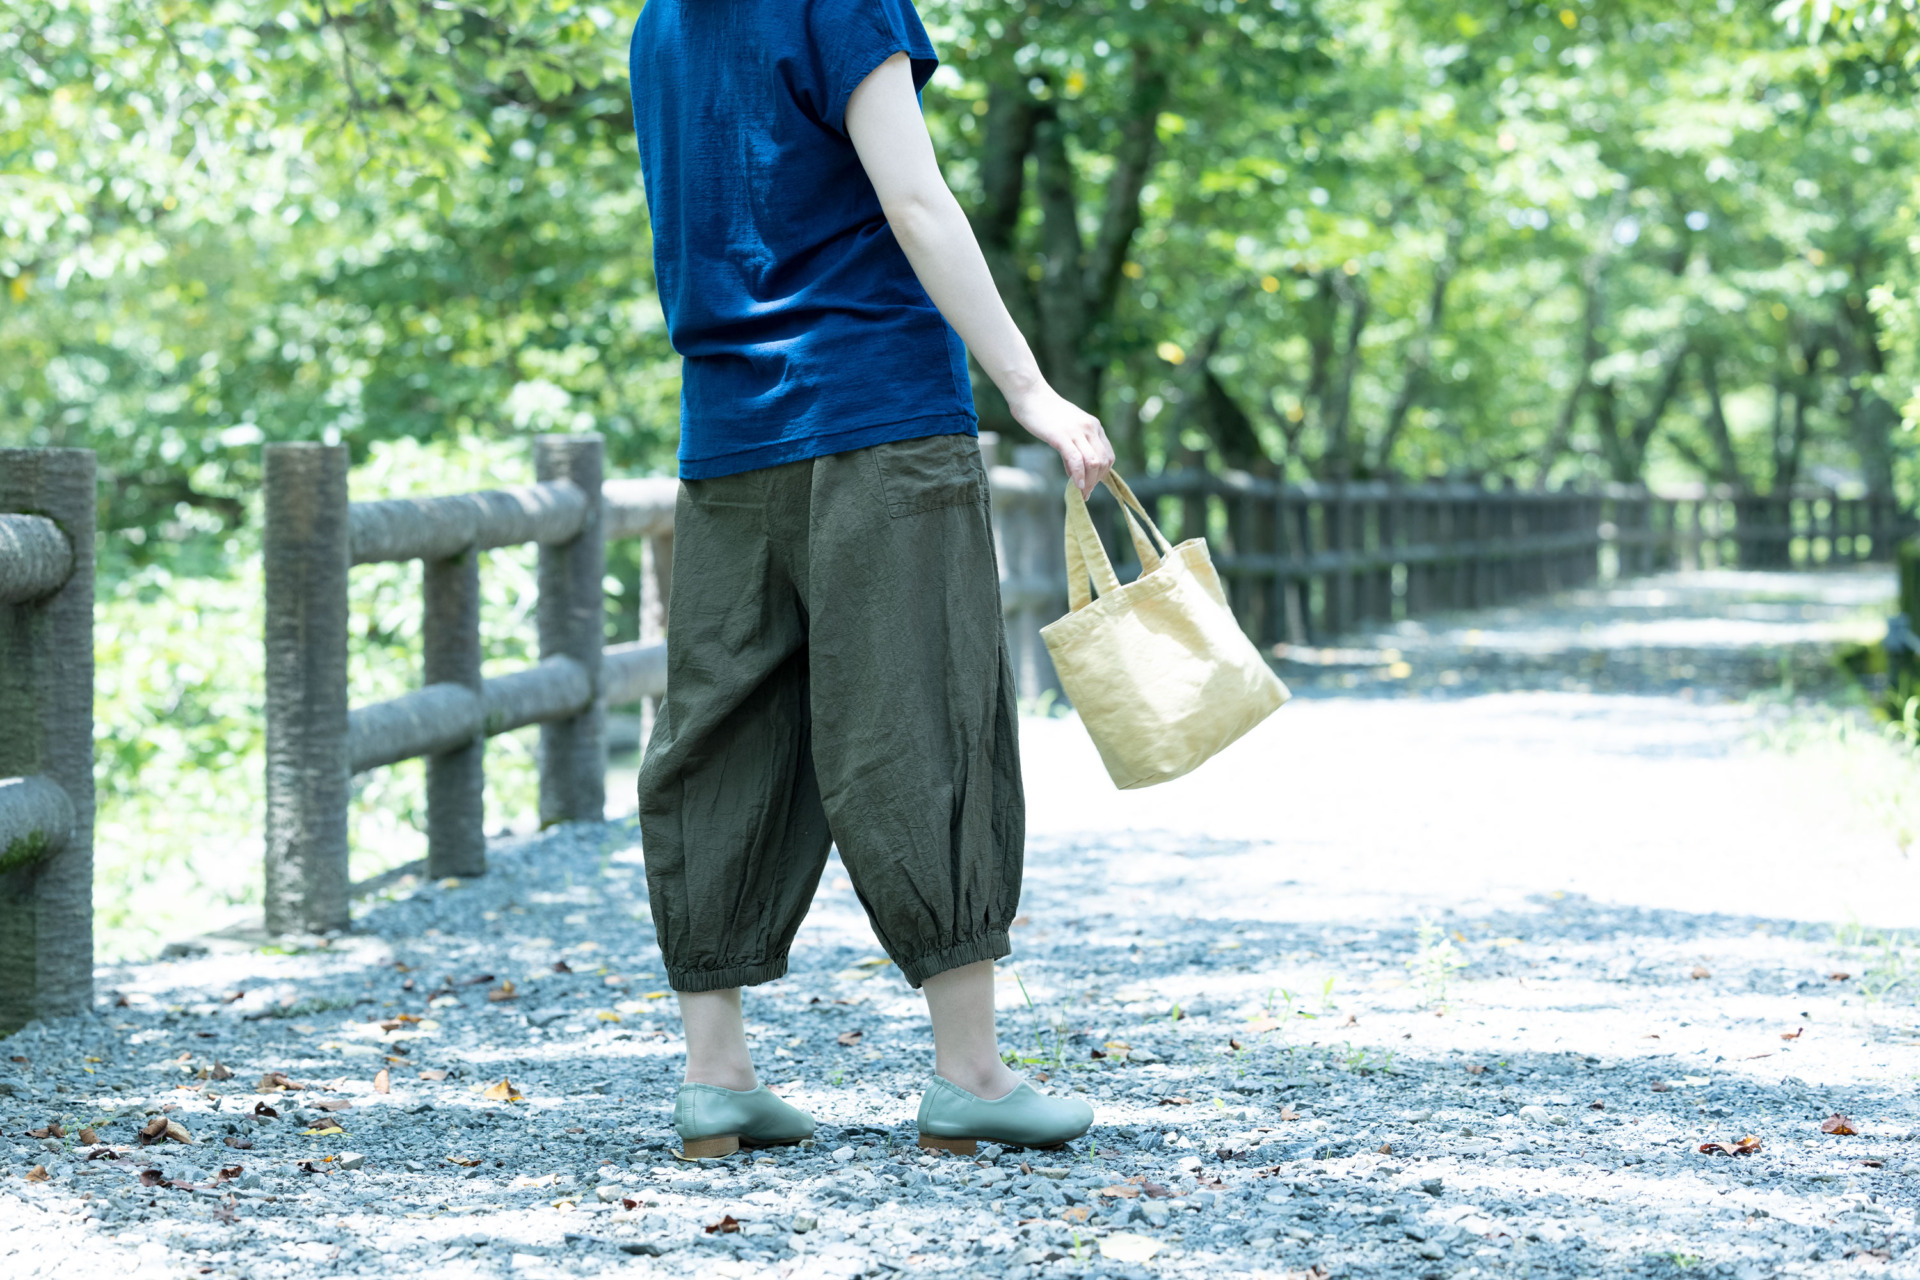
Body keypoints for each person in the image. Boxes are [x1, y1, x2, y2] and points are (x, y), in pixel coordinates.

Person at [628, 0, 1114, 1158]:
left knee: (719, 728)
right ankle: (971, 1072)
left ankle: (717, 1072)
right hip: (878, 407)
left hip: (730, 427)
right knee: (921, 717)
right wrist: (1032, 389)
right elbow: (914, 197)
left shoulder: (661, 22)